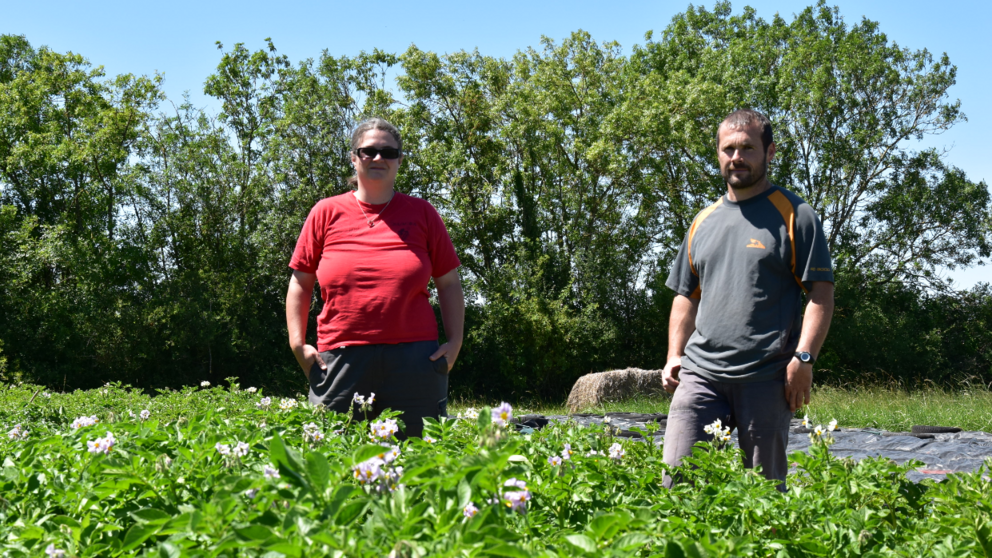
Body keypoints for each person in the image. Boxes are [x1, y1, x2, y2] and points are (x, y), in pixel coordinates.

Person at [661, 109, 835, 490]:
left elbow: (821, 294)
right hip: (701, 375)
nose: (736, 157)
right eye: (728, 149)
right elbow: (685, 295)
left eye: (747, 148)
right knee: (677, 482)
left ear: (769, 152)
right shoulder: (702, 221)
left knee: (764, 492)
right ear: (719, 155)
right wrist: (675, 354)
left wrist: (804, 358)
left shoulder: (796, 214)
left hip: (767, 378)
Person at [285, 118, 464, 438]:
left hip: (415, 361)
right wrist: (297, 343)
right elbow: (300, 282)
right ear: (354, 158)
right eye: (368, 151)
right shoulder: (325, 212)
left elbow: (449, 283)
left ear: (399, 160)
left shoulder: (423, 214)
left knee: (419, 463)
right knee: (334, 459)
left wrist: (455, 341)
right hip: (339, 358)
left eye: (388, 152)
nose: (378, 158)